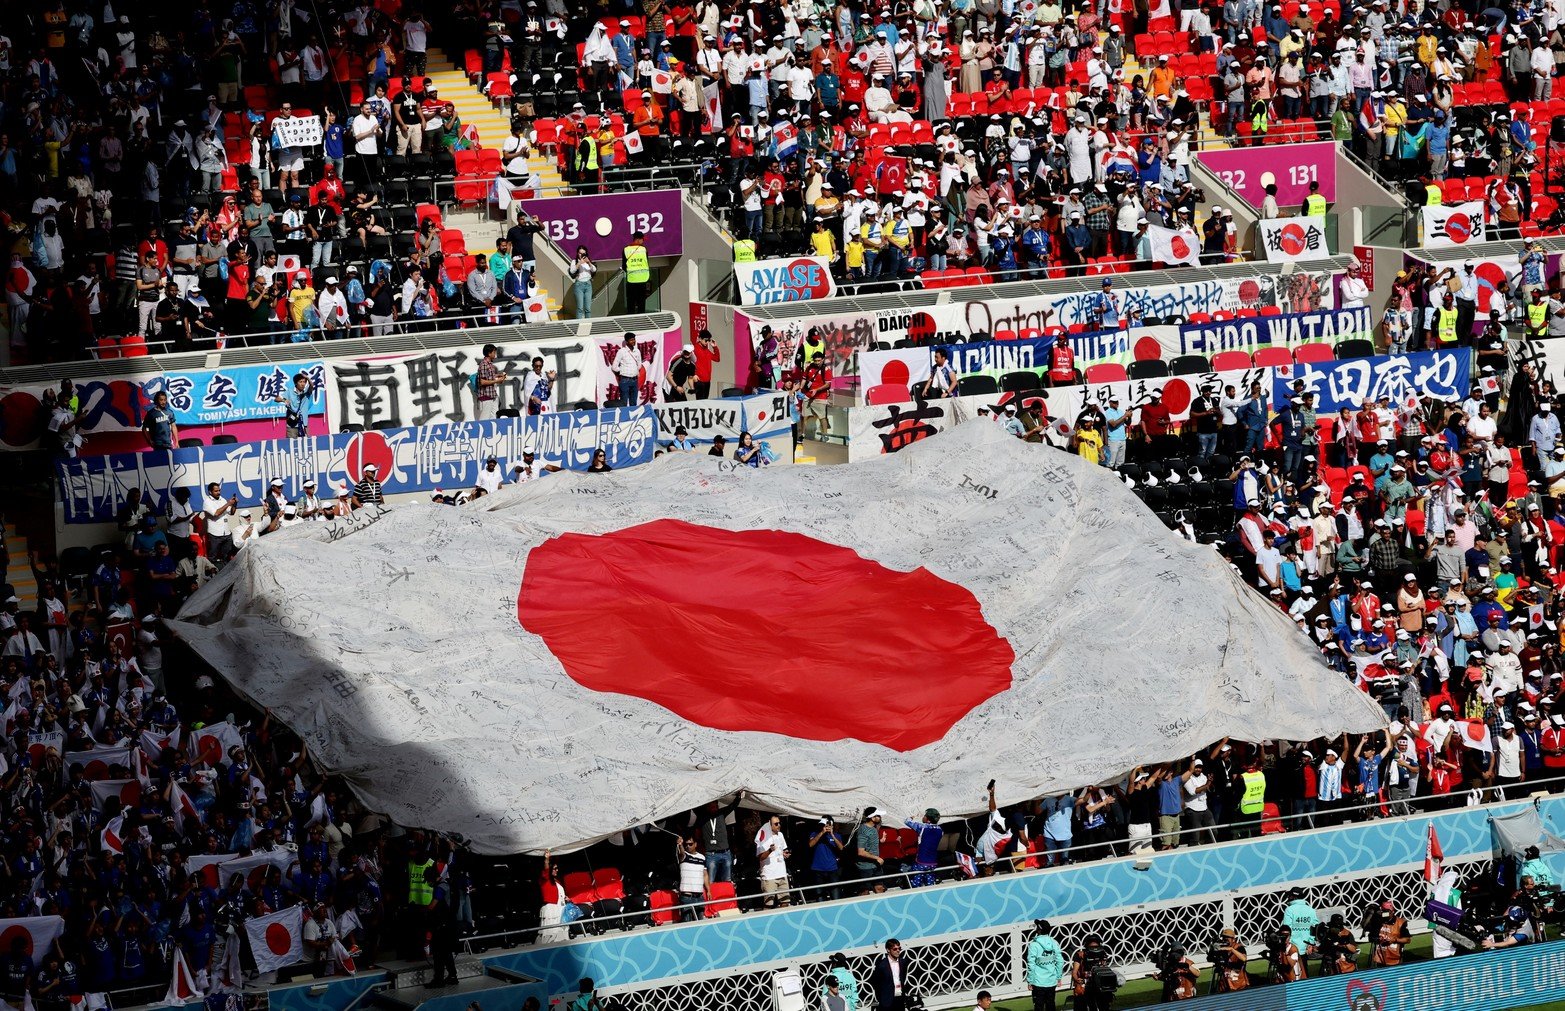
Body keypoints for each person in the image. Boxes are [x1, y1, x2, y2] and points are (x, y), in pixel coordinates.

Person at [1026, 919, 1065, 1011]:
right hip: (1051, 981)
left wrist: (1030, 981)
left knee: (1038, 1006)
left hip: (1038, 982)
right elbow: (1060, 961)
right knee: (1051, 1004)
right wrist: (1058, 977)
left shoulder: (1034, 945)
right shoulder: (1054, 942)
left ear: (1038, 930)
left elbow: (1031, 964)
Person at [869, 938, 915, 1011]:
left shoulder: (903, 962)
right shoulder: (882, 965)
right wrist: (881, 999)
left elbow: (903, 977)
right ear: (888, 950)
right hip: (886, 1001)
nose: (898, 951)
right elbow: (876, 983)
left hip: (900, 999)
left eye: (899, 948)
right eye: (895, 949)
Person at [476, 343, 509, 421]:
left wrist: (499, 376)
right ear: (489, 353)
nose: (495, 354)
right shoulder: (484, 364)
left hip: (492, 395)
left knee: (494, 417)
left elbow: (489, 377)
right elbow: (482, 382)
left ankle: (492, 432)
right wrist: (496, 380)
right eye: (494, 352)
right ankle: (483, 432)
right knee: (485, 418)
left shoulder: (490, 364)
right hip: (486, 395)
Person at [622, 231, 651, 314]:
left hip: (631, 279)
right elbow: (647, 263)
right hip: (643, 279)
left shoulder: (626, 250)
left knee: (631, 301)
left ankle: (631, 320)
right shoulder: (644, 249)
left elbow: (624, 266)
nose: (643, 241)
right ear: (638, 240)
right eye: (642, 239)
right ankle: (641, 320)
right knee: (641, 302)